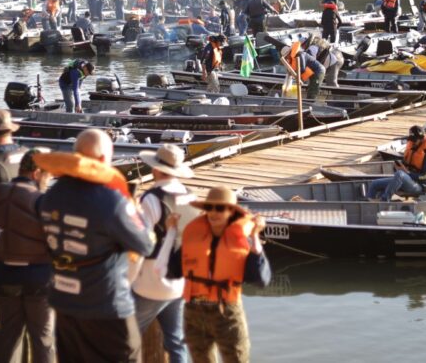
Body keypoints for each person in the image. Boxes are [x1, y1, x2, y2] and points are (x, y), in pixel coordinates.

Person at [36, 130, 154, 362]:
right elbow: (145, 245)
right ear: (103, 161)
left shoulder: (50, 197)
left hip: (65, 306)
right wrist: (139, 215)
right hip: (107, 307)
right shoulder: (111, 201)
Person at [165, 185, 270, 363]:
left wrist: (256, 241)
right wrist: (171, 232)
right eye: (209, 207)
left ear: (231, 211)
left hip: (227, 311)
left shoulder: (242, 239)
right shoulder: (194, 236)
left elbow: (261, 280)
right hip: (194, 312)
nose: (213, 213)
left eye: (219, 208)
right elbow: (172, 270)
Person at [0, 149, 55, 363]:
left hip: (3, 276)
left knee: (8, 336)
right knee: (43, 340)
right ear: (37, 173)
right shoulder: (41, 199)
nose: (48, 181)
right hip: (38, 279)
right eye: (47, 176)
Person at [133, 146, 197, 363]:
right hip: (181, 280)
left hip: (151, 283)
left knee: (127, 339)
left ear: (155, 170)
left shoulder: (150, 199)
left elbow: (141, 244)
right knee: (176, 341)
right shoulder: (191, 196)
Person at [368, 125, 426, 201]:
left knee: (400, 175)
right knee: (375, 184)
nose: (412, 142)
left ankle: (384, 200)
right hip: (406, 179)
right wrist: (398, 167)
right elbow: (405, 166)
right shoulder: (413, 149)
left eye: (415, 140)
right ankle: (371, 203)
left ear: (421, 139)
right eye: (411, 140)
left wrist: (407, 173)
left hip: (418, 186)